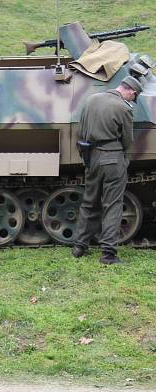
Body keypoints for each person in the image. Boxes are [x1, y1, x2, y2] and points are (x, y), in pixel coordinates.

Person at [72, 75, 142, 265]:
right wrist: (124, 159)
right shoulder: (124, 108)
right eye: (132, 97)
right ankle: (108, 254)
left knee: (89, 201)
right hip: (113, 158)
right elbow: (127, 140)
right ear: (131, 91)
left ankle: (79, 246)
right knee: (112, 205)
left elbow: (81, 130)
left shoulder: (92, 99)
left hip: (92, 156)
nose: (131, 100)